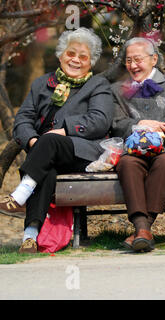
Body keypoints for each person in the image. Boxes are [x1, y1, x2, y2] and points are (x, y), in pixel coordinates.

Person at [0, 27, 114, 253]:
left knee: (49, 141)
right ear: (61, 55)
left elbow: (100, 121)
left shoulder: (98, 86)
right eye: (71, 54)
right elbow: (23, 119)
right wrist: (33, 141)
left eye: (83, 57)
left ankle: (20, 194)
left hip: (82, 152)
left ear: (90, 63)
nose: (76, 60)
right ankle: (30, 237)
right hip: (44, 153)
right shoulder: (41, 84)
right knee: (46, 170)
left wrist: (63, 130)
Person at [111, 37, 165, 252]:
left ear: (154, 59)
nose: (133, 65)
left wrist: (160, 130)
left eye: (138, 59)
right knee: (127, 165)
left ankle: (142, 229)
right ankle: (144, 229)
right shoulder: (117, 89)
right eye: (129, 61)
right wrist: (139, 124)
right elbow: (116, 123)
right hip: (132, 149)